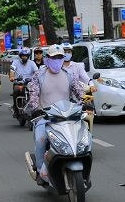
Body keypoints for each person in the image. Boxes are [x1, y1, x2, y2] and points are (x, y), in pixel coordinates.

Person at [25, 44, 87, 185]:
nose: (57, 60)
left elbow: (78, 90)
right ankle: (41, 172)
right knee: (41, 140)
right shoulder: (39, 75)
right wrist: (35, 108)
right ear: (47, 58)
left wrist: (85, 101)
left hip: (67, 116)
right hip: (44, 117)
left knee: (84, 137)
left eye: (60, 57)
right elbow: (34, 95)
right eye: (54, 57)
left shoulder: (69, 74)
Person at [9, 48, 38, 113]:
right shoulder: (15, 62)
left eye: (25, 56)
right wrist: (12, 77)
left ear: (28, 56)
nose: (24, 57)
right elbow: (12, 70)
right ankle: (15, 109)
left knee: (36, 92)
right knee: (16, 91)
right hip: (19, 83)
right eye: (22, 55)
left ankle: (36, 108)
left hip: (29, 83)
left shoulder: (32, 63)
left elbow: (37, 72)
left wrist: (37, 77)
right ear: (20, 56)